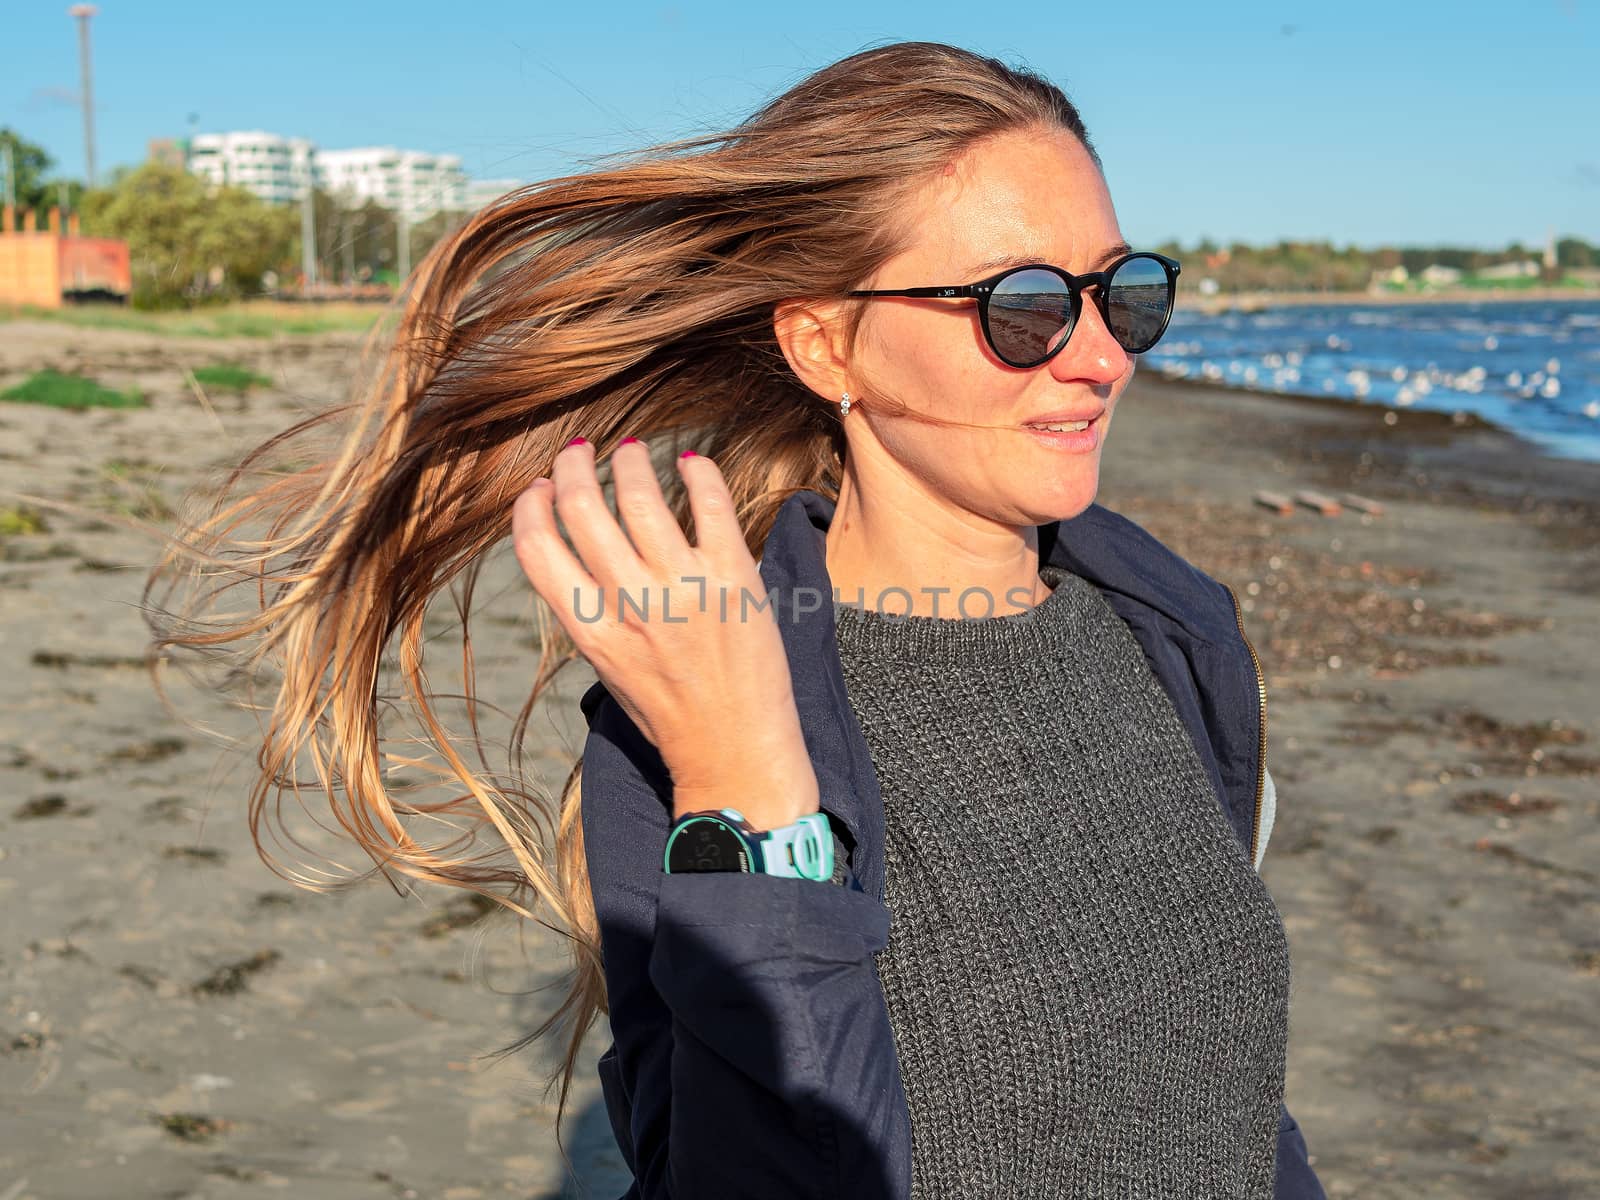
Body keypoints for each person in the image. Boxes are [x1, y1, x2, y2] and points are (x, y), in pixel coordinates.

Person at [146, 40, 1324, 1200]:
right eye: (1021, 308)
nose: (1101, 356)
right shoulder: (695, 709)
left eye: (1123, 292)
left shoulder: (1166, 632)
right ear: (823, 344)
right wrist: (746, 787)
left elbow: (1226, 1106)